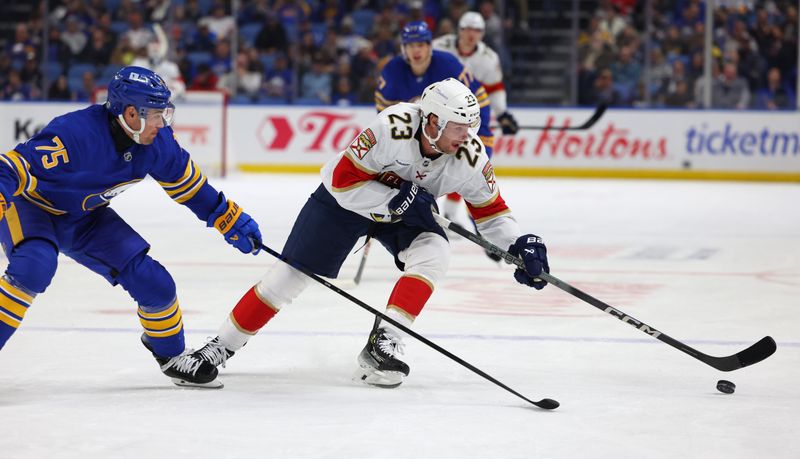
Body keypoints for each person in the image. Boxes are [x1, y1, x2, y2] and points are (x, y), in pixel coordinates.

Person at [193, 78, 550, 388]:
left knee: (434, 252)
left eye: (469, 127)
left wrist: (518, 244)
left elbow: (492, 214)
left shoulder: (470, 157)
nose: (467, 136)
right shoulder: (392, 126)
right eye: (460, 127)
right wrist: (396, 199)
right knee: (291, 276)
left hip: (404, 208)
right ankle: (220, 346)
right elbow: (340, 181)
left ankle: (385, 341)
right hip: (345, 202)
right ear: (434, 122)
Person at [0, 66, 262, 389]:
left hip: (85, 218)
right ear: (129, 113)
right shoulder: (75, 135)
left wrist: (229, 218)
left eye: (165, 113)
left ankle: (172, 356)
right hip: (32, 208)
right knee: (34, 267)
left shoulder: (158, 143)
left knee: (156, 284)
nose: (162, 122)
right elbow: (9, 168)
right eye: (155, 114)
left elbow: (191, 189)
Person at [376, 20, 496, 252]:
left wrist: (477, 133)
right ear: (403, 48)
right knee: (416, 183)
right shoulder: (392, 73)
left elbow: (479, 98)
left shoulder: (448, 65)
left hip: (464, 131)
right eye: (410, 45)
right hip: (419, 138)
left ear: (430, 46)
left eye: (421, 44)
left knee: (475, 180)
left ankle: (487, 233)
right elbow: (384, 117)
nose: (416, 50)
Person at [432, 11, 519, 136]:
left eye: (477, 30)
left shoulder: (489, 58)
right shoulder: (439, 46)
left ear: (482, 33)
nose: (472, 34)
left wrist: (502, 114)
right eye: (467, 29)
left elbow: (494, 88)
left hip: (467, 111)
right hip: (437, 103)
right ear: (460, 30)